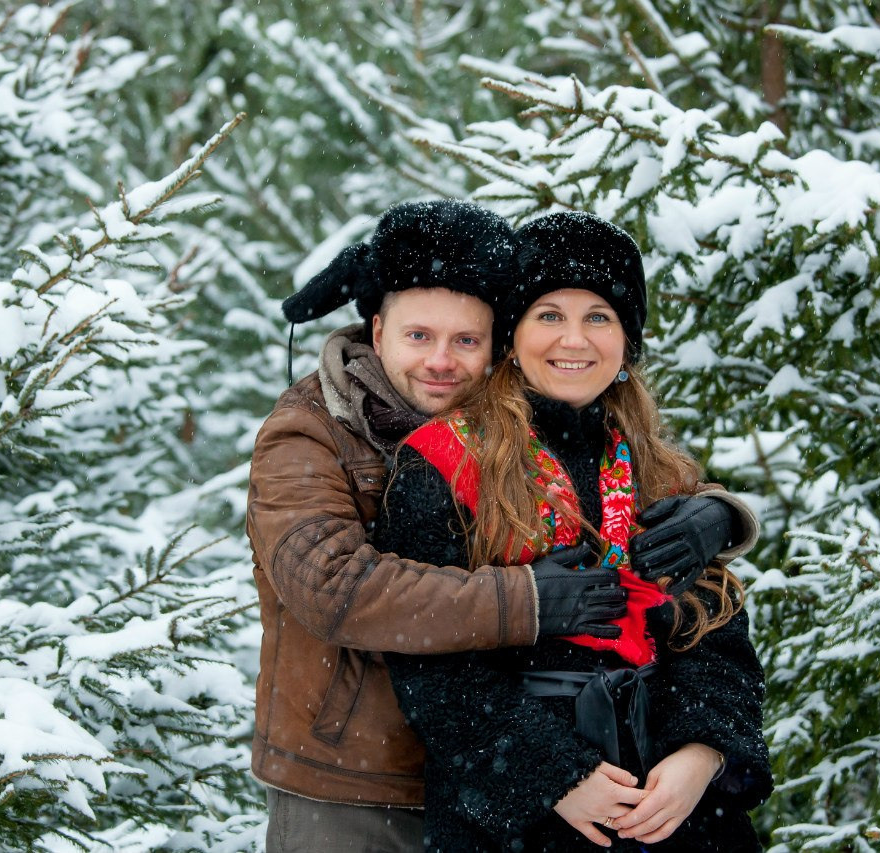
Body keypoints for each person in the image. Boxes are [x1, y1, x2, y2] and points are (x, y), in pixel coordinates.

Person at [374, 211, 772, 851]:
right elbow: (427, 660)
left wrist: (703, 753)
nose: (575, 340)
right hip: (522, 812)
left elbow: (716, 633)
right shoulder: (446, 460)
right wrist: (554, 775)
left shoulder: (655, 466)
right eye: (549, 315)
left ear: (626, 342)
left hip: (668, 803)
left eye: (599, 317)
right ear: (513, 334)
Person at [247, 200, 636, 852]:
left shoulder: (499, 427)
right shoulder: (309, 431)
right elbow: (335, 588)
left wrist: (716, 510)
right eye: (419, 336)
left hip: (478, 781)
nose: (441, 361)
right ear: (377, 331)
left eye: (466, 341)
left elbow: (619, 448)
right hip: (353, 783)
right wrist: (525, 601)